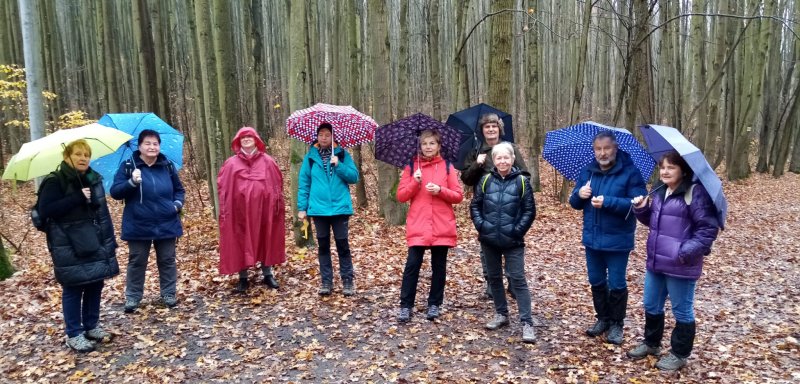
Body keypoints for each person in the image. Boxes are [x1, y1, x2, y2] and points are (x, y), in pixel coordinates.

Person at [627, 151, 720, 371]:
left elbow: (707, 230)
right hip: (656, 261)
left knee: (682, 311)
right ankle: (651, 344)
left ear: (683, 170)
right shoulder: (659, 191)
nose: (665, 172)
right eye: (663, 167)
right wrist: (641, 209)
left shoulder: (695, 193)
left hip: (681, 264)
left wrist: (684, 252)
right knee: (651, 304)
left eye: (671, 167)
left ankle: (679, 354)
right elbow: (654, 222)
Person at [38, 139, 119, 352]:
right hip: (68, 243)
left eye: (86, 155)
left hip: (94, 239)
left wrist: (109, 241)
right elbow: (46, 210)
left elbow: (100, 212)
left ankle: (92, 326)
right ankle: (74, 333)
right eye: (78, 154)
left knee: (95, 282)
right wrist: (76, 197)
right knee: (74, 287)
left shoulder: (92, 178)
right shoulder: (55, 181)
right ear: (67, 157)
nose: (83, 158)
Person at [568, 130, 647, 345]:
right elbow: (574, 203)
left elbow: (637, 205)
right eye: (598, 149)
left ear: (615, 148)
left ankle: (616, 324)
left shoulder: (631, 173)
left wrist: (608, 202)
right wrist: (579, 195)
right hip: (592, 238)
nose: (602, 153)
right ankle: (602, 319)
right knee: (596, 280)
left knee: (617, 282)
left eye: (607, 148)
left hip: (618, 239)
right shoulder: (588, 171)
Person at [111, 129, 185, 313]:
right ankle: (133, 297)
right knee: (137, 261)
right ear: (140, 146)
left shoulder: (167, 166)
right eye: (148, 143)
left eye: (155, 144)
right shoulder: (128, 167)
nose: (152, 147)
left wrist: (176, 205)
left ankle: (168, 294)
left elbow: (179, 190)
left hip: (166, 220)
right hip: (138, 223)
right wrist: (132, 183)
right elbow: (115, 192)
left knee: (167, 259)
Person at [470, 142, 536, 343]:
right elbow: (475, 206)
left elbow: (529, 211)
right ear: (494, 160)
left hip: (513, 241)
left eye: (506, 157)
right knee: (494, 277)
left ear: (513, 159)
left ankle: (527, 322)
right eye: (499, 158)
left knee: (517, 279)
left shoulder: (522, 182)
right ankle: (501, 314)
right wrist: (482, 226)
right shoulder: (486, 180)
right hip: (489, 239)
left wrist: (517, 231)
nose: (503, 161)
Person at [395, 130, 463, 323]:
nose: (428, 147)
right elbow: (401, 196)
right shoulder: (411, 167)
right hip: (418, 223)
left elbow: (458, 196)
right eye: (424, 144)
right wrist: (414, 183)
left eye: (432, 143)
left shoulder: (447, 167)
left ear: (439, 146)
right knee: (412, 266)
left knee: (439, 267)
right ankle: (405, 306)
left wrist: (440, 190)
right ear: (420, 146)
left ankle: (435, 304)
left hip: (442, 224)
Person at [460, 113, 527, 299]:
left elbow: (525, 175)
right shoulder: (475, 151)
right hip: (485, 207)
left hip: (510, 207)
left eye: (494, 126)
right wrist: (477, 164)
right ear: (482, 130)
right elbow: (466, 179)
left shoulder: (510, 149)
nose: (491, 130)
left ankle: (513, 282)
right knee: (487, 247)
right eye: (487, 127)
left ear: (499, 129)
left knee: (512, 245)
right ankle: (492, 282)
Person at [217, 127, 285, 293]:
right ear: (238, 141)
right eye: (243, 137)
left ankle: (268, 273)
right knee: (240, 239)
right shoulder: (231, 163)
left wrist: (274, 205)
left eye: (249, 136)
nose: (246, 139)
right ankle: (243, 277)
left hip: (263, 210)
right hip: (239, 211)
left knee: (266, 236)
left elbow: (276, 185)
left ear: (256, 140)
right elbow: (224, 187)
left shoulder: (268, 161)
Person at [297, 123, 359, 296]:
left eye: (327, 135)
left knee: (343, 246)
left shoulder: (343, 155)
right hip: (318, 209)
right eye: (321, 134)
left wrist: (339, 165)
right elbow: (304, 184)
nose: (324, 137)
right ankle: (326, 281)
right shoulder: (310, 157)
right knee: (323, 246)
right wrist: (302, 208)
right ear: (317, 137)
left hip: (340, 208)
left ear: (333, 137)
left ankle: (347, 280)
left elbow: (354, 177)